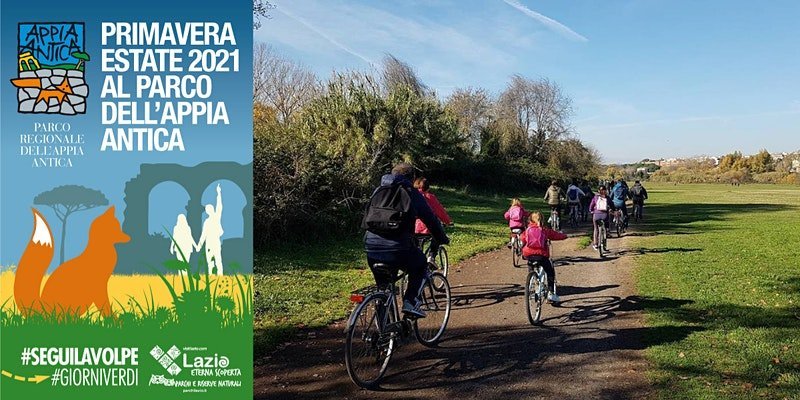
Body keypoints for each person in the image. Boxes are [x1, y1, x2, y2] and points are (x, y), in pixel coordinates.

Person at [363, 163, 449, 318]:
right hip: (399, 248)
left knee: (383, 288)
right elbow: (431, 219)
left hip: (371, 247)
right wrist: (441, 238)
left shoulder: (378, 190)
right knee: (420, 265)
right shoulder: (411, 192)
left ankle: (384, 329)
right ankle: (410, 301)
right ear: (412, 178)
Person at [520, 211, 567, 303]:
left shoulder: (527, 230)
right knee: (550, 272)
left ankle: (533, 282)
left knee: (531, 267)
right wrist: (564, 236)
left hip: (529, 255)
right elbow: (555, 235)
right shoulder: (544, 230)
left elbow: (522, 238)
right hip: (541, 255)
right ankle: (551, 292)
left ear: (530, 220)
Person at [413, 177, 453, 262]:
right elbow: (440, 211)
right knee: (437, 235)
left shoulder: (411, 197)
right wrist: (448, 221)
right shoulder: (430, 197)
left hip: (413, 229)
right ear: (428, 188)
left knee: (416, 247)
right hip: (427, 229)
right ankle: (431, 256)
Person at [196, 184, 224, 275]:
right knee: (210, 263)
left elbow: (219, 206)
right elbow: (203, 235)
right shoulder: (207, 222)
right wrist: (199, 246)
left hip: (215, 242)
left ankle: (220, 277)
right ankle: (211, 278)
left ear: (211, 210)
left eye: (209, 209)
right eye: (207, 209)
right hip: (209, 243)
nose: (208, 210)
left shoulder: (216, 217)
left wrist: (219, 193)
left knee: (218, 261)